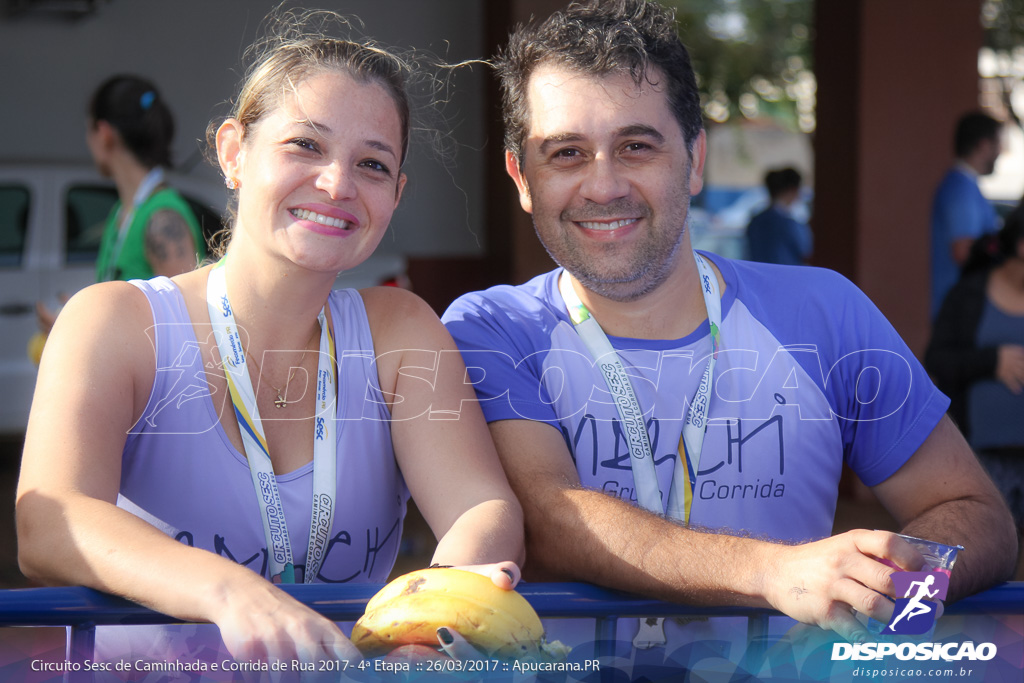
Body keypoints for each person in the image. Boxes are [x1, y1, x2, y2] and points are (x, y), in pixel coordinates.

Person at [442, 0, 1016, 651]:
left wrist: (869, 611)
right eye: (566, 153)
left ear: (695, 158)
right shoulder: (490, 327)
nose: (602, 185)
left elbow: (979, 517)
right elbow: (551, 516)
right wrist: (778, 572)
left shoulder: (824, 312)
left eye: (636, 145)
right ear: (522, 177)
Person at [17, 12, 524, 669]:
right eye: (305, 146)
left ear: (395, 195)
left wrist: (429, 629)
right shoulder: (115, 323)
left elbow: (481, 504)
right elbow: (47, 520)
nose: (337, 183)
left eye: (372, 164)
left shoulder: (401, 331)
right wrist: (228, 590)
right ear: (233, 151)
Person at [36, 75, 208, 334]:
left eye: (88, 130)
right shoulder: (122, 212)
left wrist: (76, 331)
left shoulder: (162, 219)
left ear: (104, 134)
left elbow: (186, 329)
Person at [926, 202, 1024, 575]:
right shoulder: (969, 295)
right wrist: (990, 362)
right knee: (979, 567)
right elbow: (937, 360)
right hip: (981, 462)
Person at [930, 111, 1003, 317]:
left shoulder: (965, 186)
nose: (1000, 151)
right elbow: (964, 251)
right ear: (983, 145)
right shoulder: (960, 188)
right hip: (961, 314)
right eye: (998, 143)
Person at [746, 167, 812, 265]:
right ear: (792, 190)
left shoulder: (755, 221)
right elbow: (807, 250)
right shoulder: (790, 225)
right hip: (787, 277)